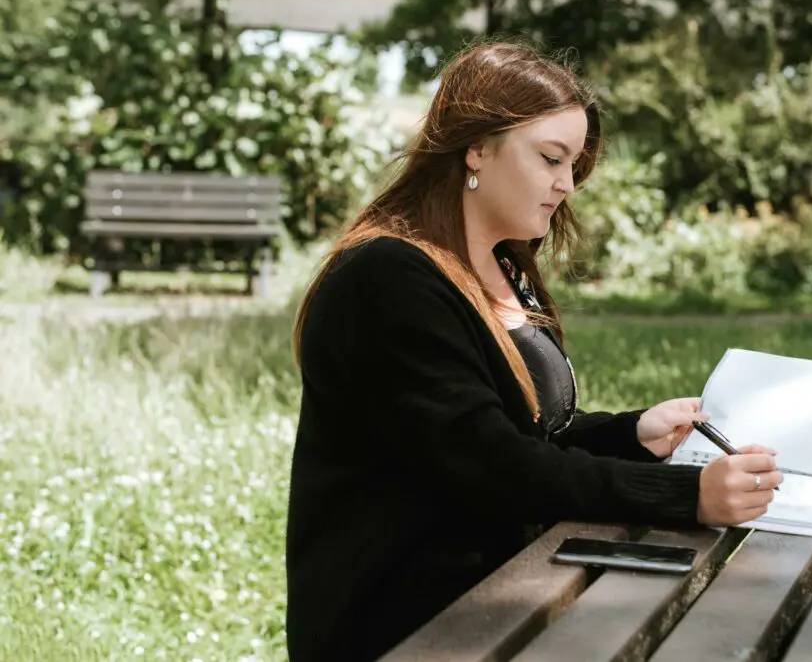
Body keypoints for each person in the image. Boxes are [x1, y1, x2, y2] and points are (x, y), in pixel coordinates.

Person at [285, 39, 782, 662]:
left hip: (517, 587)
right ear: (477, 146)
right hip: (411, 625)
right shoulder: (387, 280)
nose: (566, 184)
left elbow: (528, 438)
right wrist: (688, 497)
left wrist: (633, 434)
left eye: (573, 164)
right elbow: (492, 467)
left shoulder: (501, 266)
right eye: (551, 158)